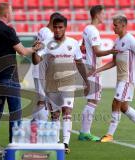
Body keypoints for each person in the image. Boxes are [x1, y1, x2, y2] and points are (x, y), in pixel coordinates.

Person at [0, 3, 41, 156]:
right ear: (6, 14)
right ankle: (13, 147)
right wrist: (34, 49)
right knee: (15, 114)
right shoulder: (8, 30)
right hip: (8, 77)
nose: (13, 13)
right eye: (12, 11)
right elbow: (22, 51)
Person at [93, 15, 135, 142]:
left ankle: (109, 135)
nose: (113, 27)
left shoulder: (131, 40)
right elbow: (114, 62)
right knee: (123, 107)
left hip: (127, 79)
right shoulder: (117, 41)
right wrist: (98, 70)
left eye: (115, 25)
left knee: (115, 103)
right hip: (121, 79)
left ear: (123, 25)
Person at [32, 14, 90, 154]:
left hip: (69, 82)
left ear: (65, 28)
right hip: (51, 83)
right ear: (52, 27)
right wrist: (34, 50)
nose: (57, 30)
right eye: (55, 27)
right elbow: (35, 61)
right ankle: (56, 142)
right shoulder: (46, 42)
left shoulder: (73, 43)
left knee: (67, 111)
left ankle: (65, 142)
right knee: (55, 114)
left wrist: (87, 81)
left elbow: (80, 63)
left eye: (60, 27)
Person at [78, 5, 118, 141]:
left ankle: (84, 132)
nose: (104, 16)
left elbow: (82, 47)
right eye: (103, 14)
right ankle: (85, 133)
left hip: (89, 68)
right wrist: (112, 51)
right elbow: (97, 52)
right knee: (93, 101)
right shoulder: (93, 31)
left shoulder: (87, 29)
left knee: (92, 100)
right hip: (94, 70)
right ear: (97, 14)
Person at [32, 12, 61, 122]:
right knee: (43, 100)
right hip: (42, 71)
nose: (58, 29)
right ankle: (40, 127)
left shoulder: (43, 31)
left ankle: (35, 123)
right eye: (57, 25)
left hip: (40, 70)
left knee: (43, 100)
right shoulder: (48, 34)